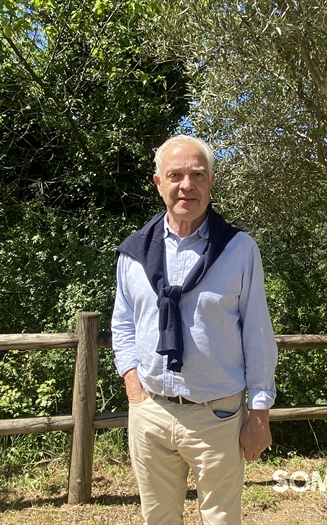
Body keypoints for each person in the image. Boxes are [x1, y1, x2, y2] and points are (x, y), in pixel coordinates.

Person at [111, 134, 278, 525]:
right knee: (158, 519)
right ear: (159, 183)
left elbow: (257, 334)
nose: (187, 185)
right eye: (175, 175)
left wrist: (259, 414)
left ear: (211, 181)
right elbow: (123, 324)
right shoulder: (133, 252)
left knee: (221, 519)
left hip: (217, 417)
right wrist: (134, 387)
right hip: (151, 413)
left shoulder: (239, 250)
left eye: (198, 175)